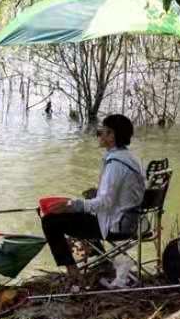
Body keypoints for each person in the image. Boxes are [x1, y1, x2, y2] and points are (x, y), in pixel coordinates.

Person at [40, 114, 145, 278]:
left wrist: (73, 205)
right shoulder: (132, 158)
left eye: (101, 132)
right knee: (84, 208)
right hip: (130, 221)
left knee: (50, 221)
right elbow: (123, 193)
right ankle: (102, 261)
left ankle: (72, 271)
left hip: (116, 226)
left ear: (112, 136)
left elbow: (105, 203)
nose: (99, 135)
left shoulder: (115, 165)